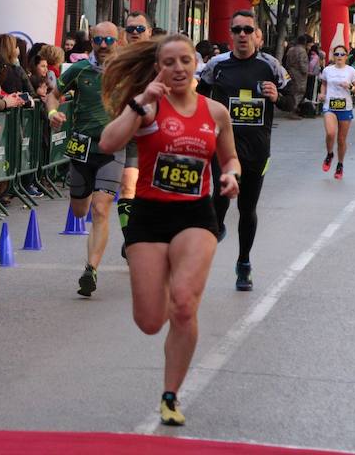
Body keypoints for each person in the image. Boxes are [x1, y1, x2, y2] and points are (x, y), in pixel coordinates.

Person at [99, 35, 240, 427]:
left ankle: (170, 395)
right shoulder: (146, 108)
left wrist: (230, 176)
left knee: (183, 303)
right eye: (170, 62)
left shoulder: (215, 112)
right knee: (149, 321)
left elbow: (230, 158)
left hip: (196, 215)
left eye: (185, 60)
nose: (178, 68)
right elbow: (108, 141)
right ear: (158, 67)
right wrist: (139, 102)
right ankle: (159, 280)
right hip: (149, 217)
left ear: (196, 65)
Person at [197, 9, 296, 291]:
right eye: (237, 30)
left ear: (256, 35)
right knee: (220, 195)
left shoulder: (271, 66)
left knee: (247, 208)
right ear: (230, 35)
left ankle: (243, 262)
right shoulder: (216, 65)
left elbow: (292, 100)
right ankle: (214, 230)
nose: (242, 35)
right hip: (223, 148)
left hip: (257, 149)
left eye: (248, 30)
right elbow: (198, 99)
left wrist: (278, 97)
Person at [46, 21, 125, 297]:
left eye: (109, 41)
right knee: (80, 210)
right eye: (98, 40)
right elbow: (52, 96)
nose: (103, 46)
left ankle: (91, 269)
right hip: (82, 147)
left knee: (101, 209)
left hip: (113, 150)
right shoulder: (79, 70)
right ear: (91, 41)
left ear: (118, 41)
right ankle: (87, 196)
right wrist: (52, 114)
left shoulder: (127, 70)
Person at [117, 12, 153, 260]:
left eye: (140, 28)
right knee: (128, 185)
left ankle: (146, 232)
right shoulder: (117, 60)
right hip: (129, 132)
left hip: (158, 133)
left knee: (151, 191)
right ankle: (131, 238)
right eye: (130, 28)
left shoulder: (161, 57)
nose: (135, 32)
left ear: (149, 31)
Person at [318, 46, 355, 180]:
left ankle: (340, 164)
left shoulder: (351, 71)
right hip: (330, 106)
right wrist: (322, 94)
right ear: (333, 55)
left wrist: (350, 86)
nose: (339, 56)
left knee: (341, 139)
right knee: (330, 133)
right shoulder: (327, 70)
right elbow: (324, 84)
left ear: (346, 56)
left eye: (342, 54)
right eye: (336, 54)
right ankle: (329, 154)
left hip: (345, 108)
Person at [282, 34, 310, 115]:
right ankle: (293, 108)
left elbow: (286, 61)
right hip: (299, 74)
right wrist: (305, 71)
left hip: (290, 71)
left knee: (293, 90)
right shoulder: (302, 51)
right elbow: (302, 63)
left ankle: (291, 107)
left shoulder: (291, 49)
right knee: (299, 90)